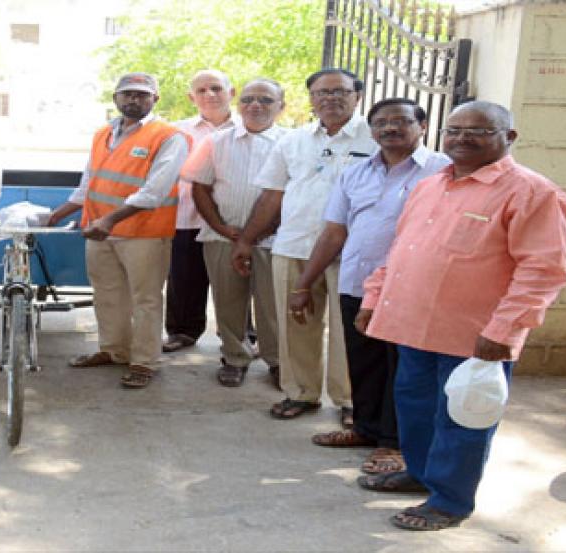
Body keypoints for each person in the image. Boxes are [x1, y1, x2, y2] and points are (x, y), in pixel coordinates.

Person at [355, 101, 566, 531]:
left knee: (464, 418)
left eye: (478, 131)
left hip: (476, 338)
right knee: (415, 410)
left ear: (509, 137)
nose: (461, 139)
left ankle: (449, 501)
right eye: (454, 130)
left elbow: (544, 270)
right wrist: (374, 299)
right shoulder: (431, 185)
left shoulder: (532, 192)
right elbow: (402, 250)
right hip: (413, 328)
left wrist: (505, 330)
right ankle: (419, 474)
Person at [288, 98, 451, 473]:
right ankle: (365, 428)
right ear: (372, 129)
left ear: (422, 126)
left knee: (404, 370)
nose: (390, 129)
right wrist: (305, 283)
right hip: (356, 284)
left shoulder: (443, 172)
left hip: (410, 289)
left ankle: (395, 444)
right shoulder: (356, 172)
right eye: (381, 123)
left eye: (400, 121)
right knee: (363, 362)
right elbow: (334, 231)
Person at [231, 68, 377, 425]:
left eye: (340, 91)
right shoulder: (292, 141)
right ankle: (301, 393)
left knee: (349, 331)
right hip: (294, 245)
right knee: (295, 325)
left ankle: (351, 401)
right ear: (311, 99)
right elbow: (272, 196)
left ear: (357, 96)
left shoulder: (375, 139)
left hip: (353, 253)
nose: (331, 98)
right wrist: (247, 240)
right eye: (322, 92)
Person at [47, 72, 190, 389]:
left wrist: (110, 220)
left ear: (155, 99)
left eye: (141, 94)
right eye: (127, 94)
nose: (133, 100)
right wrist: (59, 213)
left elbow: (154, 191)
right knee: (108, 295)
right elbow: (89, 183)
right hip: (99, 232)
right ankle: (114, 351)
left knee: (146, 299)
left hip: (144, 234)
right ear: (115, 98)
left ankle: (144, 361)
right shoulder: (103, 134)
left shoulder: (169, 137)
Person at [186, 78, 289, 387]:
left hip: (273, 240)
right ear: (239, 104)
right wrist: (222, 227)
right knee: (228, 301)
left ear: (281, 107)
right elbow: (200, 188)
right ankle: (234, 357)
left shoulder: (292, 143)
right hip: (222, 238)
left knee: (271, 305)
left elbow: (291, 193)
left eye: (266, 100)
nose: (255, 105)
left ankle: (277, 361)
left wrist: (256, 233)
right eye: (248, 99)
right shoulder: (215, 142)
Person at [164, 70, 240, 353]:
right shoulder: (177, 131)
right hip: (187, 217)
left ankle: (240, 336)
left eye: (216, 88)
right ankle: (182, 330)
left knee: (236, 282)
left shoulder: (249, 127)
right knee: (184, 278)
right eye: (202, 90)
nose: (209, 95)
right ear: (191, 97)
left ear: (231, 92)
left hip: (233, 221)